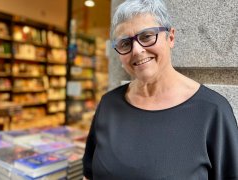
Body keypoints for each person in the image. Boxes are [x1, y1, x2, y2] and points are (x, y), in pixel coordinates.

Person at [82, 0, 238, 179]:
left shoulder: (212, 111)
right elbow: (89, 174)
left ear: (170, 37)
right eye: (125, 43)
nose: (137, 50)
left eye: (147, 36)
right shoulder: (108, 104)